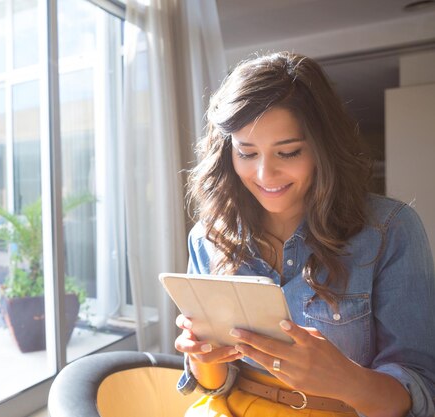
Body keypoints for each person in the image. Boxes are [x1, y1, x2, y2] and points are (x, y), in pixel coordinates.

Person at [175, 51, 435, 417]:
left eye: (288, 152)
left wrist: (346, 379)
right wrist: (201, 356)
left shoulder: (390, 229)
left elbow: (422, 392)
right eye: (247, 153)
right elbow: (215, 385)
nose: (265, 175)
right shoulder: (208, 236)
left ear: (323, 149)